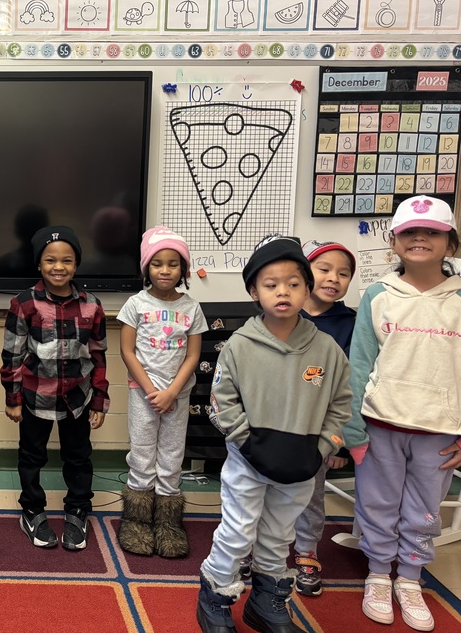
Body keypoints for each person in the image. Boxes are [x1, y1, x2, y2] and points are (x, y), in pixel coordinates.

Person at [196, 235, 352, 633]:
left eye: (294, 283)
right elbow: (222, 402)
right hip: (248, 462)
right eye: (271, 284)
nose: (283, 291)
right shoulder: (239, 346)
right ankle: (215, 596)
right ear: (253, 290)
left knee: (279, 535)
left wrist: (321, 448)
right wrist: (247, 442)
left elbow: (340, 405)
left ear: (307, 288)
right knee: (238, 530)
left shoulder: (328, 350)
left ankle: (266, 602)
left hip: (301, 465)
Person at [344, 196, 461, 631]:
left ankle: (409, 578)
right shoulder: (377, 295)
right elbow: (359, 364)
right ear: (394, 241)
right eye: (410, 232)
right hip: (381, 423)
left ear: (449, 243)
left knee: (424, 509)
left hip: (441, 430)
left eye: (432, 231)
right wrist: (353, 430)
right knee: (377, 503)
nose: (420, 238)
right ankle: (378, 573)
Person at [1, 225, 109, 552]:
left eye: (66, 260)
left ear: (76, 264)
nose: (58, 267)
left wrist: (99, 399)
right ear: (38, 264)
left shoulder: (92, 305)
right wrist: (13, 398)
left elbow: (99, 354)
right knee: (31, 457)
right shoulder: (24, 304)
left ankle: (77, 510)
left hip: (78, 399)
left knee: (78, 458)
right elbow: (13, 354)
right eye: (50, 260)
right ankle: (32, 510)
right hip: (36, 397)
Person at [117, 227, 206, 558]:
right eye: (157, 264)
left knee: (171, 455)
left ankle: (168, 523)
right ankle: (137, 521)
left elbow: (193, 355)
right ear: (146, 268)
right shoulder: (135, 304)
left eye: (173, 264)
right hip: (143, 394)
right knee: (142, 453)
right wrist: (153, 390)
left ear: (183, 270)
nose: (165, 271)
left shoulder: (191, 308)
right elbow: (127, 352)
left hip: (177, 397)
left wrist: (171, 392)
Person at [288, 239, 357, 597]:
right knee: (264, 493)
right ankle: (254, 549)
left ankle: (306, 551)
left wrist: (337, 437)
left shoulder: (351, 325)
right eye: (324, 269)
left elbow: (350, 386)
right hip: (278, 426)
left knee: (310, 495)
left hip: (319, 432)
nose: (333, 278)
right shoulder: (283, 313)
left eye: (343, 274)